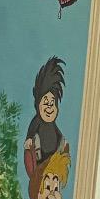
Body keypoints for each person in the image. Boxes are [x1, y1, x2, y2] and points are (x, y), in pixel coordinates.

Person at [24, 57, 66, 187]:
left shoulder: (54, 128)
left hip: (52, 162)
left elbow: (59, 136)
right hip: (39, 163)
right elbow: (31, 133)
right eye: (45, 102)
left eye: (52, 103)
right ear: (38, 104)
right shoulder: (36, 122)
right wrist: (29, 139)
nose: (49, 107)